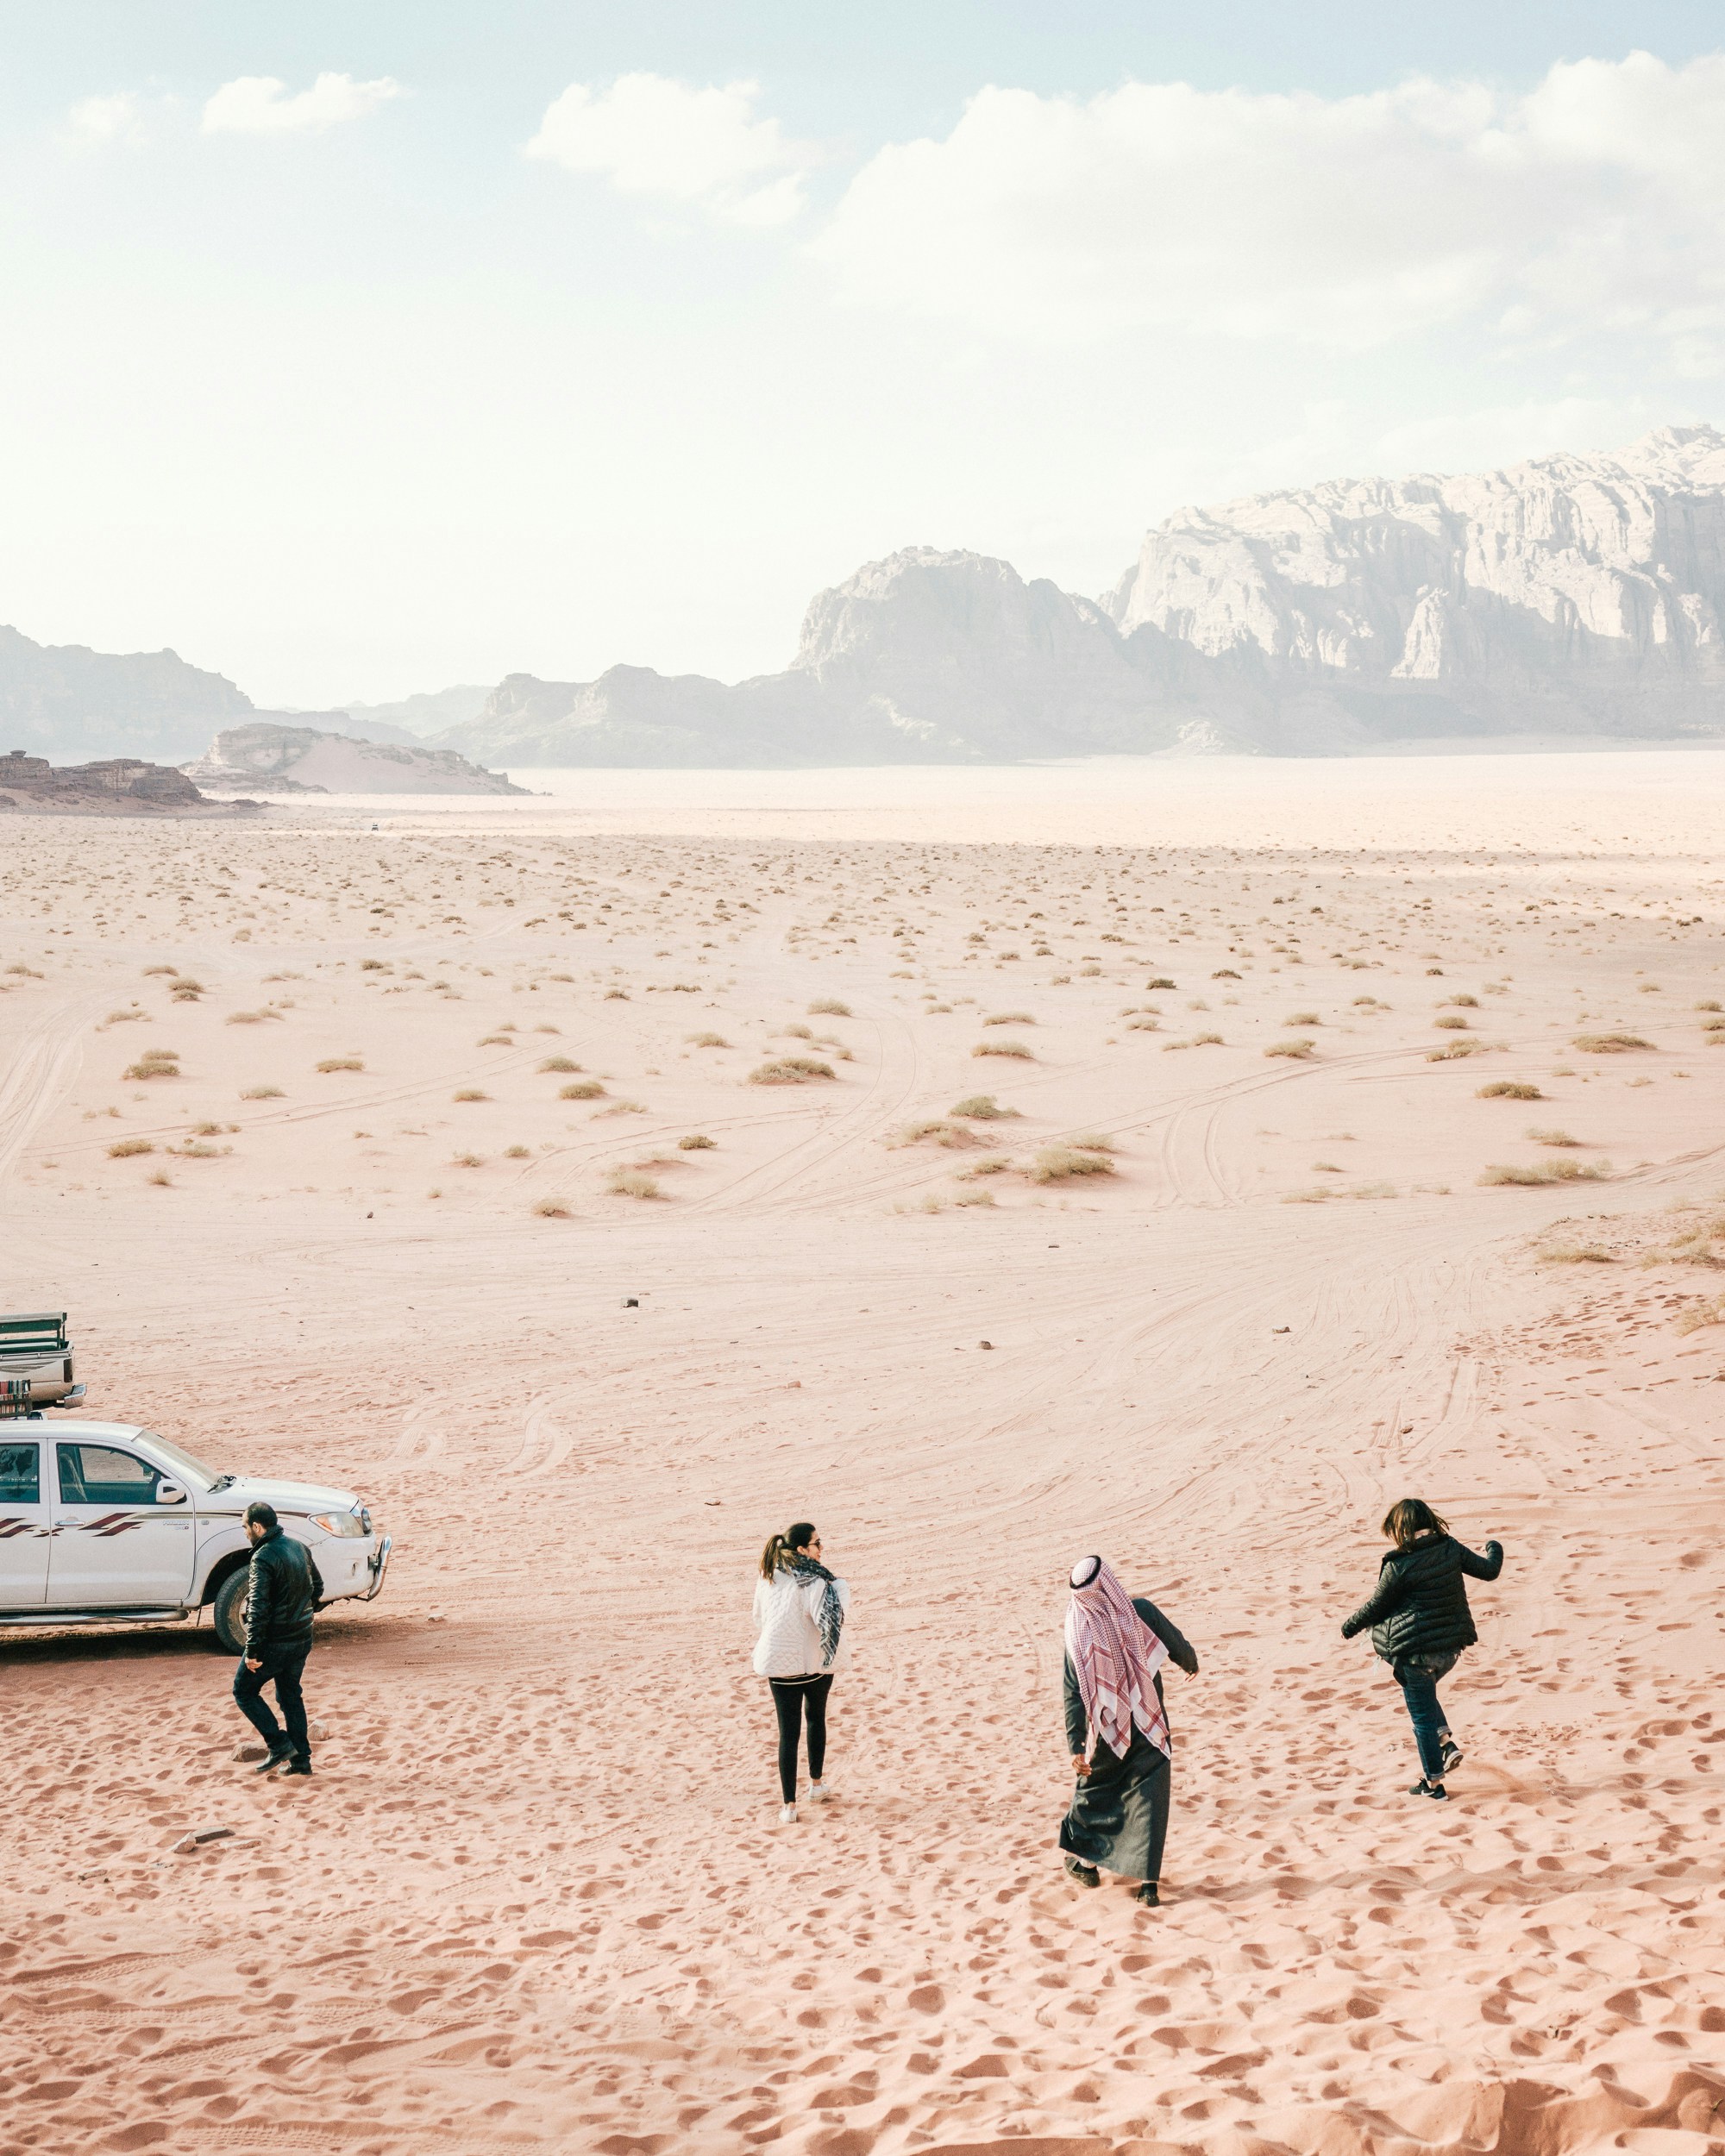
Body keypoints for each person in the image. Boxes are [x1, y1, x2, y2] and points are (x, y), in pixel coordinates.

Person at [1340, 1497, 1503, 1801]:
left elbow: (1377, 1605)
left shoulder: (1399, 1565)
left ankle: (1433, 1785)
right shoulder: (1450, 1548)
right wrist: (1494, 1546)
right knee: (1425, 1697)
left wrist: (1349, 1626)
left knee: (1422, 1720)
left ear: (1399, 1529)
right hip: (1448, 1652)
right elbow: (1489, 1570)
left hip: (1415, 1654)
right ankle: (1447, 1744)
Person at [1059, 1556, 1199, 1908]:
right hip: (1149, 1722)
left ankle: (1087, 1865)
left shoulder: (1078, 1636)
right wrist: (1190, 1662)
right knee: (1150, 1797)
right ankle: (1148, 1886)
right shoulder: (1139, 1611)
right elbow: (1174, 1641)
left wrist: (1076, 1742)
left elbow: (1073, 1691)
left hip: (1108, 1731)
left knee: (1097, 1790)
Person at [752, 1521, 850, 1824]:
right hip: (814, 1665)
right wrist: (841, 1587)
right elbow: (831, 1620)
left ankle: (789, 1807)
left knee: (788, 1733)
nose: (822, 1548)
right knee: (815, 1718)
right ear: (802, 1550)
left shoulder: (768, 1576)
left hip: (778, 1665)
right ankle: (816, 1785)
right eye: (817, 1543)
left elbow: (759, 1617)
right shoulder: (817, 1580)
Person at [232, 1501, 323, 1778]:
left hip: (276, 1643)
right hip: (302, 1639)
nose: (245, 1533)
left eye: (246, 1527)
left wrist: (253, 1651)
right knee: (290, 1696)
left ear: (258, 1527)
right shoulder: (299, 1547)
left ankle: (279, 1744)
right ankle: (301, 1761)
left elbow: (257, 1608)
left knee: (243, 1691)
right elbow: (318, 1588)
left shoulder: (263, 1557)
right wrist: (302, 1612)